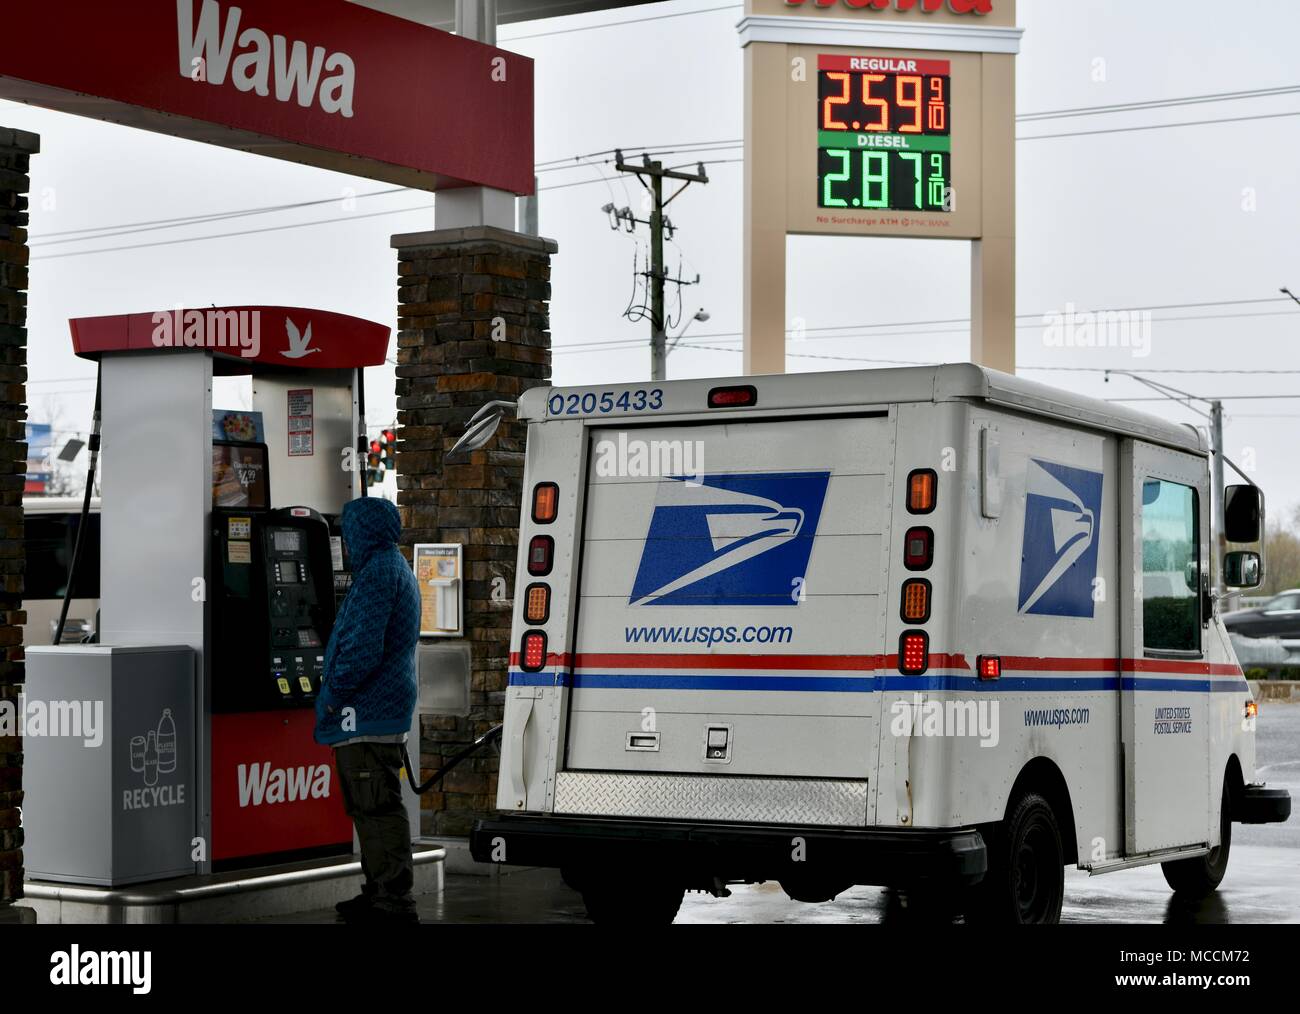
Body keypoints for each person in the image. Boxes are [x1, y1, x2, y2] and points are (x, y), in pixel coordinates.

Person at [315, 496, 421, 924]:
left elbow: (360, 650)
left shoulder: (377, 574)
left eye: (349, 531)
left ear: (363, 532)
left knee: (375, 808)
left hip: (366, 713)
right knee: (371, 806)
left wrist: (333, 694)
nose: (346, 539)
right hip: (379, 710)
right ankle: (379, 890)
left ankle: (392, 901)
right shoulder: (393, 566)